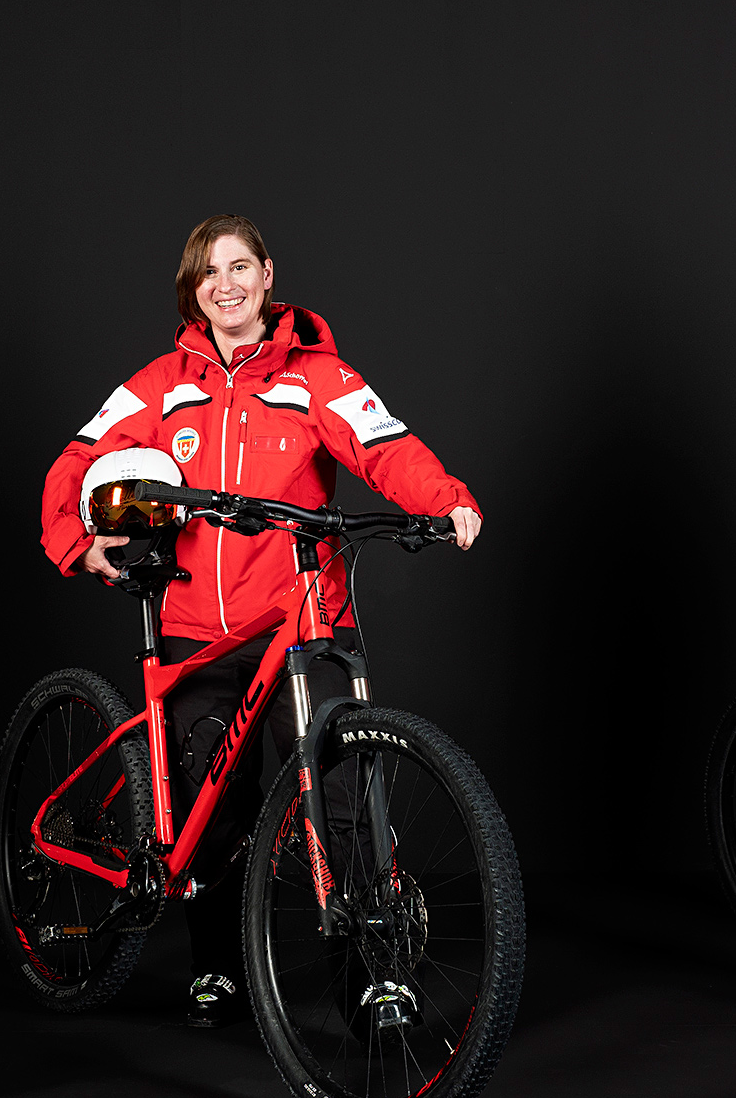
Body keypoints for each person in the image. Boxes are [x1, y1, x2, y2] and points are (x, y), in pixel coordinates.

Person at [40, 214, 483, 1028]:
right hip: (196, 628)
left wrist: (444, 500)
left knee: (343, 800)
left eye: (240, 267)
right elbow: (78, 456)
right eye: (210, 274)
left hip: (305, 623)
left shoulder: (319, 379)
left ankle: (371, 980)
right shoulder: (158, 385)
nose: (227, 284)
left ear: (268, 276)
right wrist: (77, 541)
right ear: (194, 290)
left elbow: (385, 448)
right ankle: (216, 970)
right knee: (214, 810)